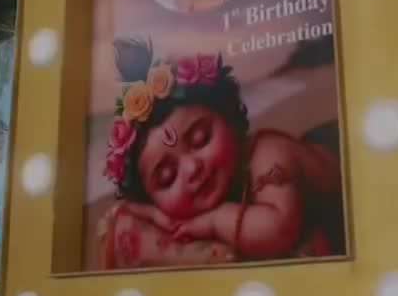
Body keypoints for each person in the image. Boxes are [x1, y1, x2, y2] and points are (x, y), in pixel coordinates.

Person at [98, 38, 343, 270]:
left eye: (200, 138)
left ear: (229, 120)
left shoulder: (268, 155)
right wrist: (154, 214)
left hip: (335, 152)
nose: (192, 168)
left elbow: (277, 232)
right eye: (167, 177)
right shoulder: (193, 192)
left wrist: (213, 221)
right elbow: (125, 213)